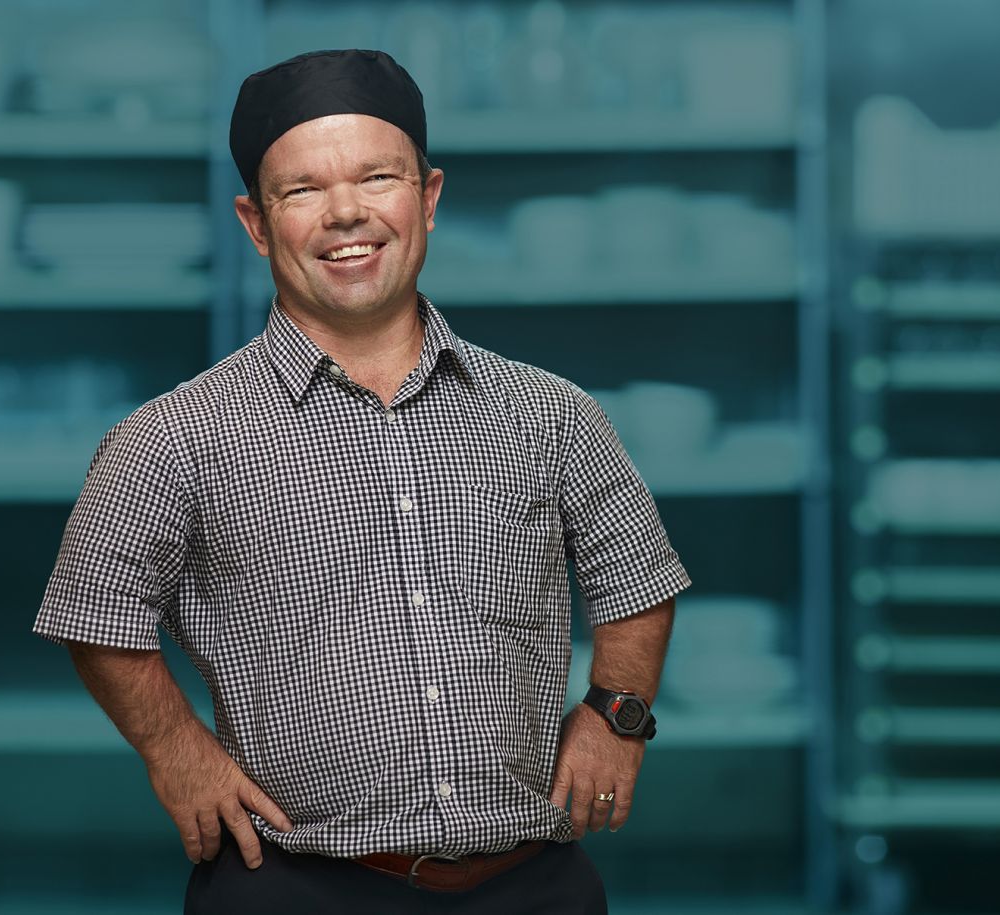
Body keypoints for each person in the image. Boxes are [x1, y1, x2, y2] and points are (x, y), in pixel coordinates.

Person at [34, 48, 690, 914]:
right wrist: (177, 752)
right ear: (257, 223)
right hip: (296, 889)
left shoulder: (551, 412)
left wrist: (618, 717)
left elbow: (638, 580)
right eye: (302, 189)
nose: (346, 213)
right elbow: (95, 613)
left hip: (534, 886)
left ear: (428, 196)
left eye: (378, 177)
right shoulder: (171, 437)